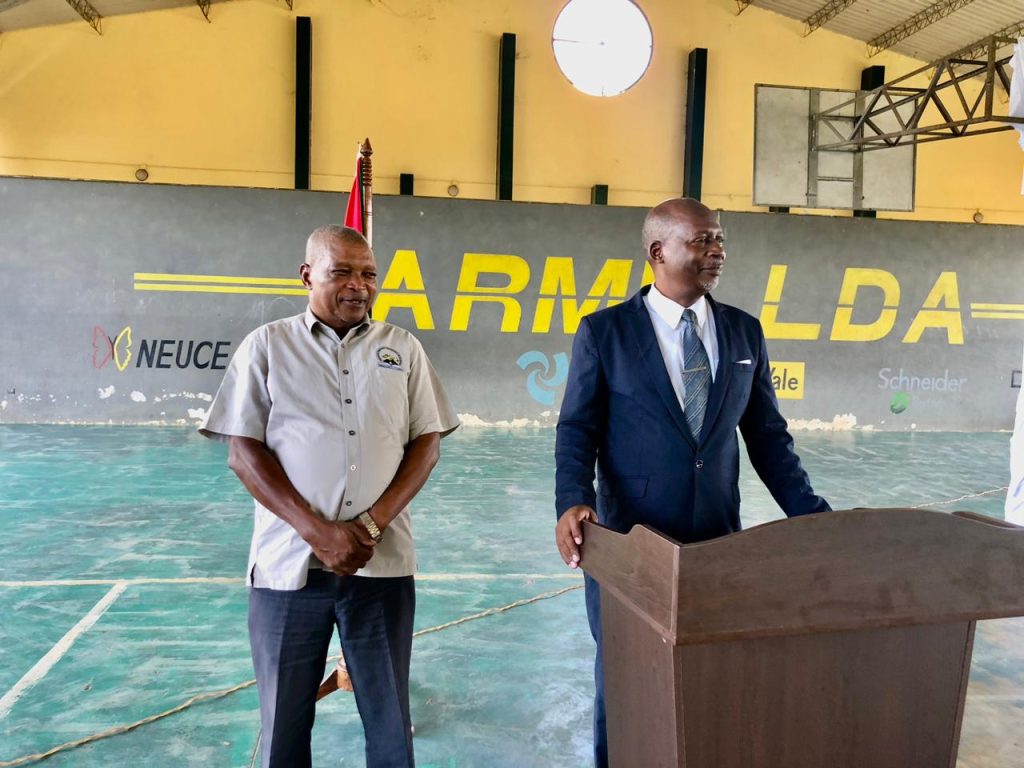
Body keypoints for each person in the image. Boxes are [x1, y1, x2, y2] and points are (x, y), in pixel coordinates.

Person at [553, 197, 831, 767]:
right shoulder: (605, 332)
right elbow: (577, 428)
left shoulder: (744, 332)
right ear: (658, 251)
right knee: (624, 679)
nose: (717, 251)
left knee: (714, 675)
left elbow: (768, 438)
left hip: (717, 544)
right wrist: (573, 500)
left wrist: (812, 516)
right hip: (631, 545)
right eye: (702, 240)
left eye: (720, 239)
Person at [200, 225, 459, 768]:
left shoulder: (402, 349)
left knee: (390, 726)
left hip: (380, 567)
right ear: (307, 275)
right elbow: (243, 453)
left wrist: (369, 527)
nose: (358, 285)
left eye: (368, 274)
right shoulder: (267, 347)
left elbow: (427, 444)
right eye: (341, 271)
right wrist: (317, 532)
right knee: (284, 729)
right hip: (287, 571)